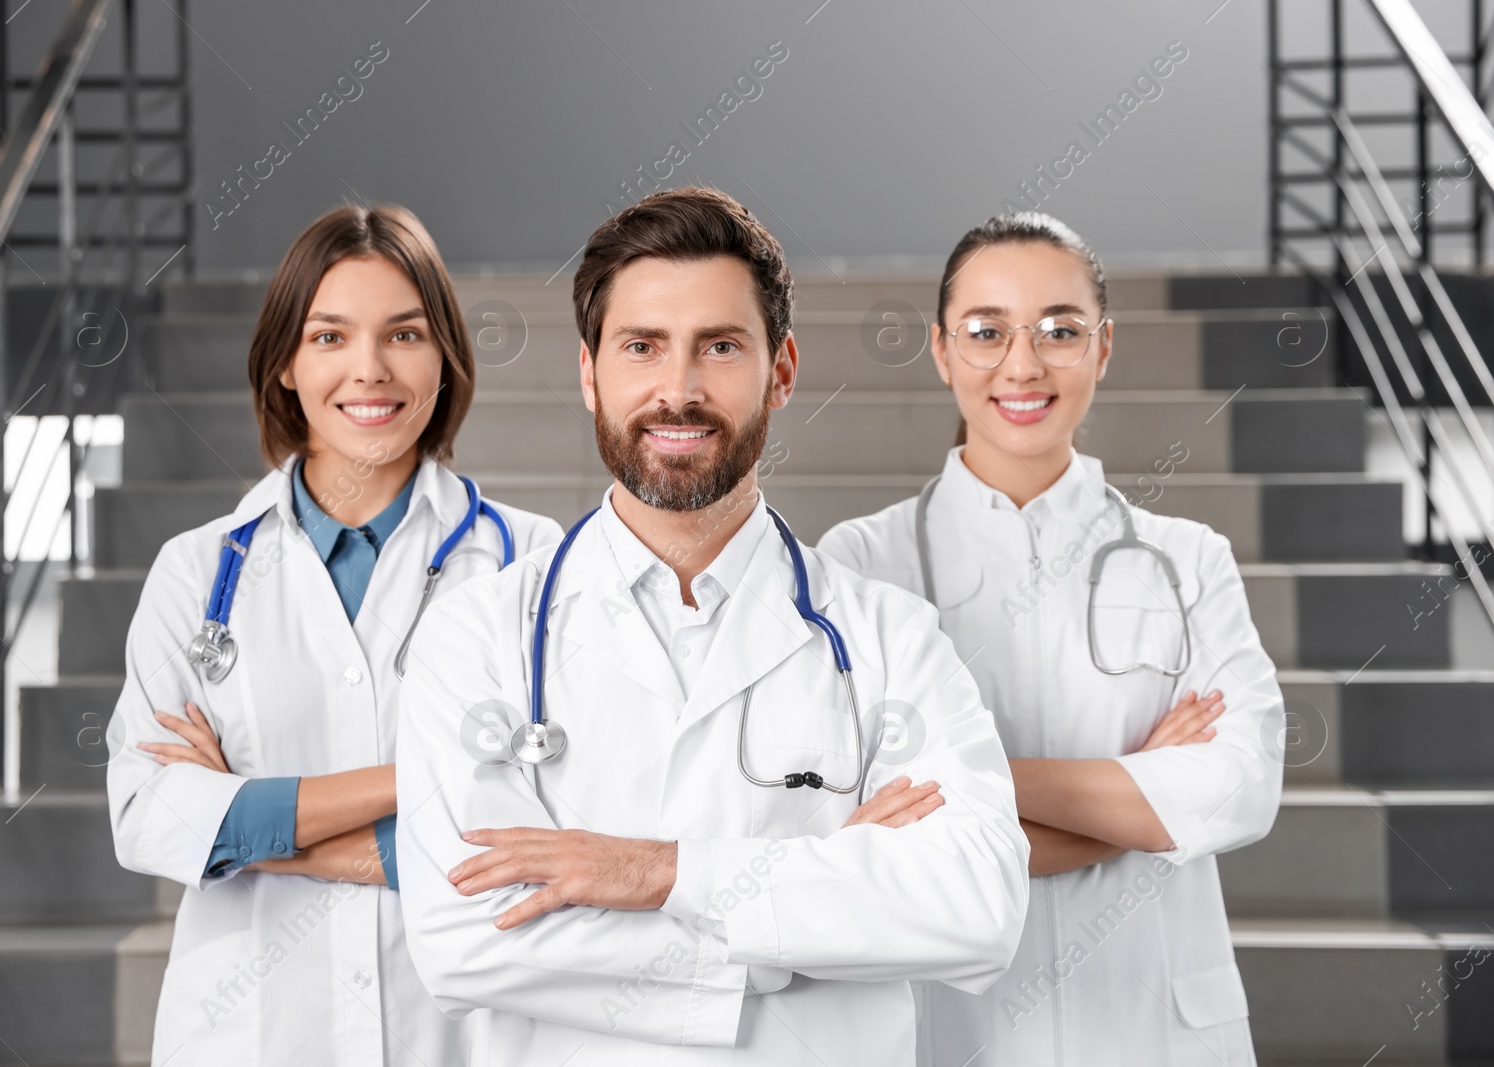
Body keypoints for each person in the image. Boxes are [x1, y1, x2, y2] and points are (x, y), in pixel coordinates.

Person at [391, 187, 1031, 1066]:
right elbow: (468, 937)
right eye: (642, 347)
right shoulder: (477, 638)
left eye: (720, 347)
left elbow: (978, 904)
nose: (679, 390)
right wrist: (799, 925)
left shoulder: (891, 638)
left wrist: (659, 872)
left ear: (782, 369)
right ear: (589, 373)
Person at [817, 211, 1284, 1065]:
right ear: (941, 349)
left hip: (1158, 1026)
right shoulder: (861, 561)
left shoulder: (1189, 560)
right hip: (963, 1029)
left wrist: (965, 783)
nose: (1022, 365)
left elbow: (1237, 788)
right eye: (987, 331)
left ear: (1104, 347)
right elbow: (872, 826)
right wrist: (1144, 802)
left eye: (1059, 331)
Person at [106, 204, 562, 1066]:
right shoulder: (196, 572)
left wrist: (249, 832)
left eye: (405, 333)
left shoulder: (533, 566)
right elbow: (148, 816)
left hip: (459, 1034)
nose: (370, 370)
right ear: (284, 361)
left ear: (444, 357)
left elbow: (541, 835)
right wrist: (432, 777)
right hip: (251, 1034)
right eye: (329, 337)